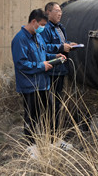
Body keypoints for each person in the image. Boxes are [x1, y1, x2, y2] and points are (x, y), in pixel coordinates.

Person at [11, 9, 66, 157]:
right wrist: (42, 66)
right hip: (30, 85)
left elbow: (43, 54)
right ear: (34, 22)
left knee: (51, 111)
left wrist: (55, 56)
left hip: (43, 83)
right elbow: (21, 64)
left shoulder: (38, 36)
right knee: (32, 116)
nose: (43, 27)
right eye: (41, 24)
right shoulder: (20, 39)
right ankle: (31, 147)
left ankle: (53, 141)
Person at [41, 2, 77, 138]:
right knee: (52, 103)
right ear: (48, 12)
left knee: (57, 102)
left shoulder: (60, 27)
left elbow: (61, 43)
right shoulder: (45, 28)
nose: (60, 13)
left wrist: (69, 44)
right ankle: (52, 135)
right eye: (56, 10)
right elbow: (43, 47)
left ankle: (56, 133)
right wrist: (61, 48)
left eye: (60, 11)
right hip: (52, 70)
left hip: (61, 69)